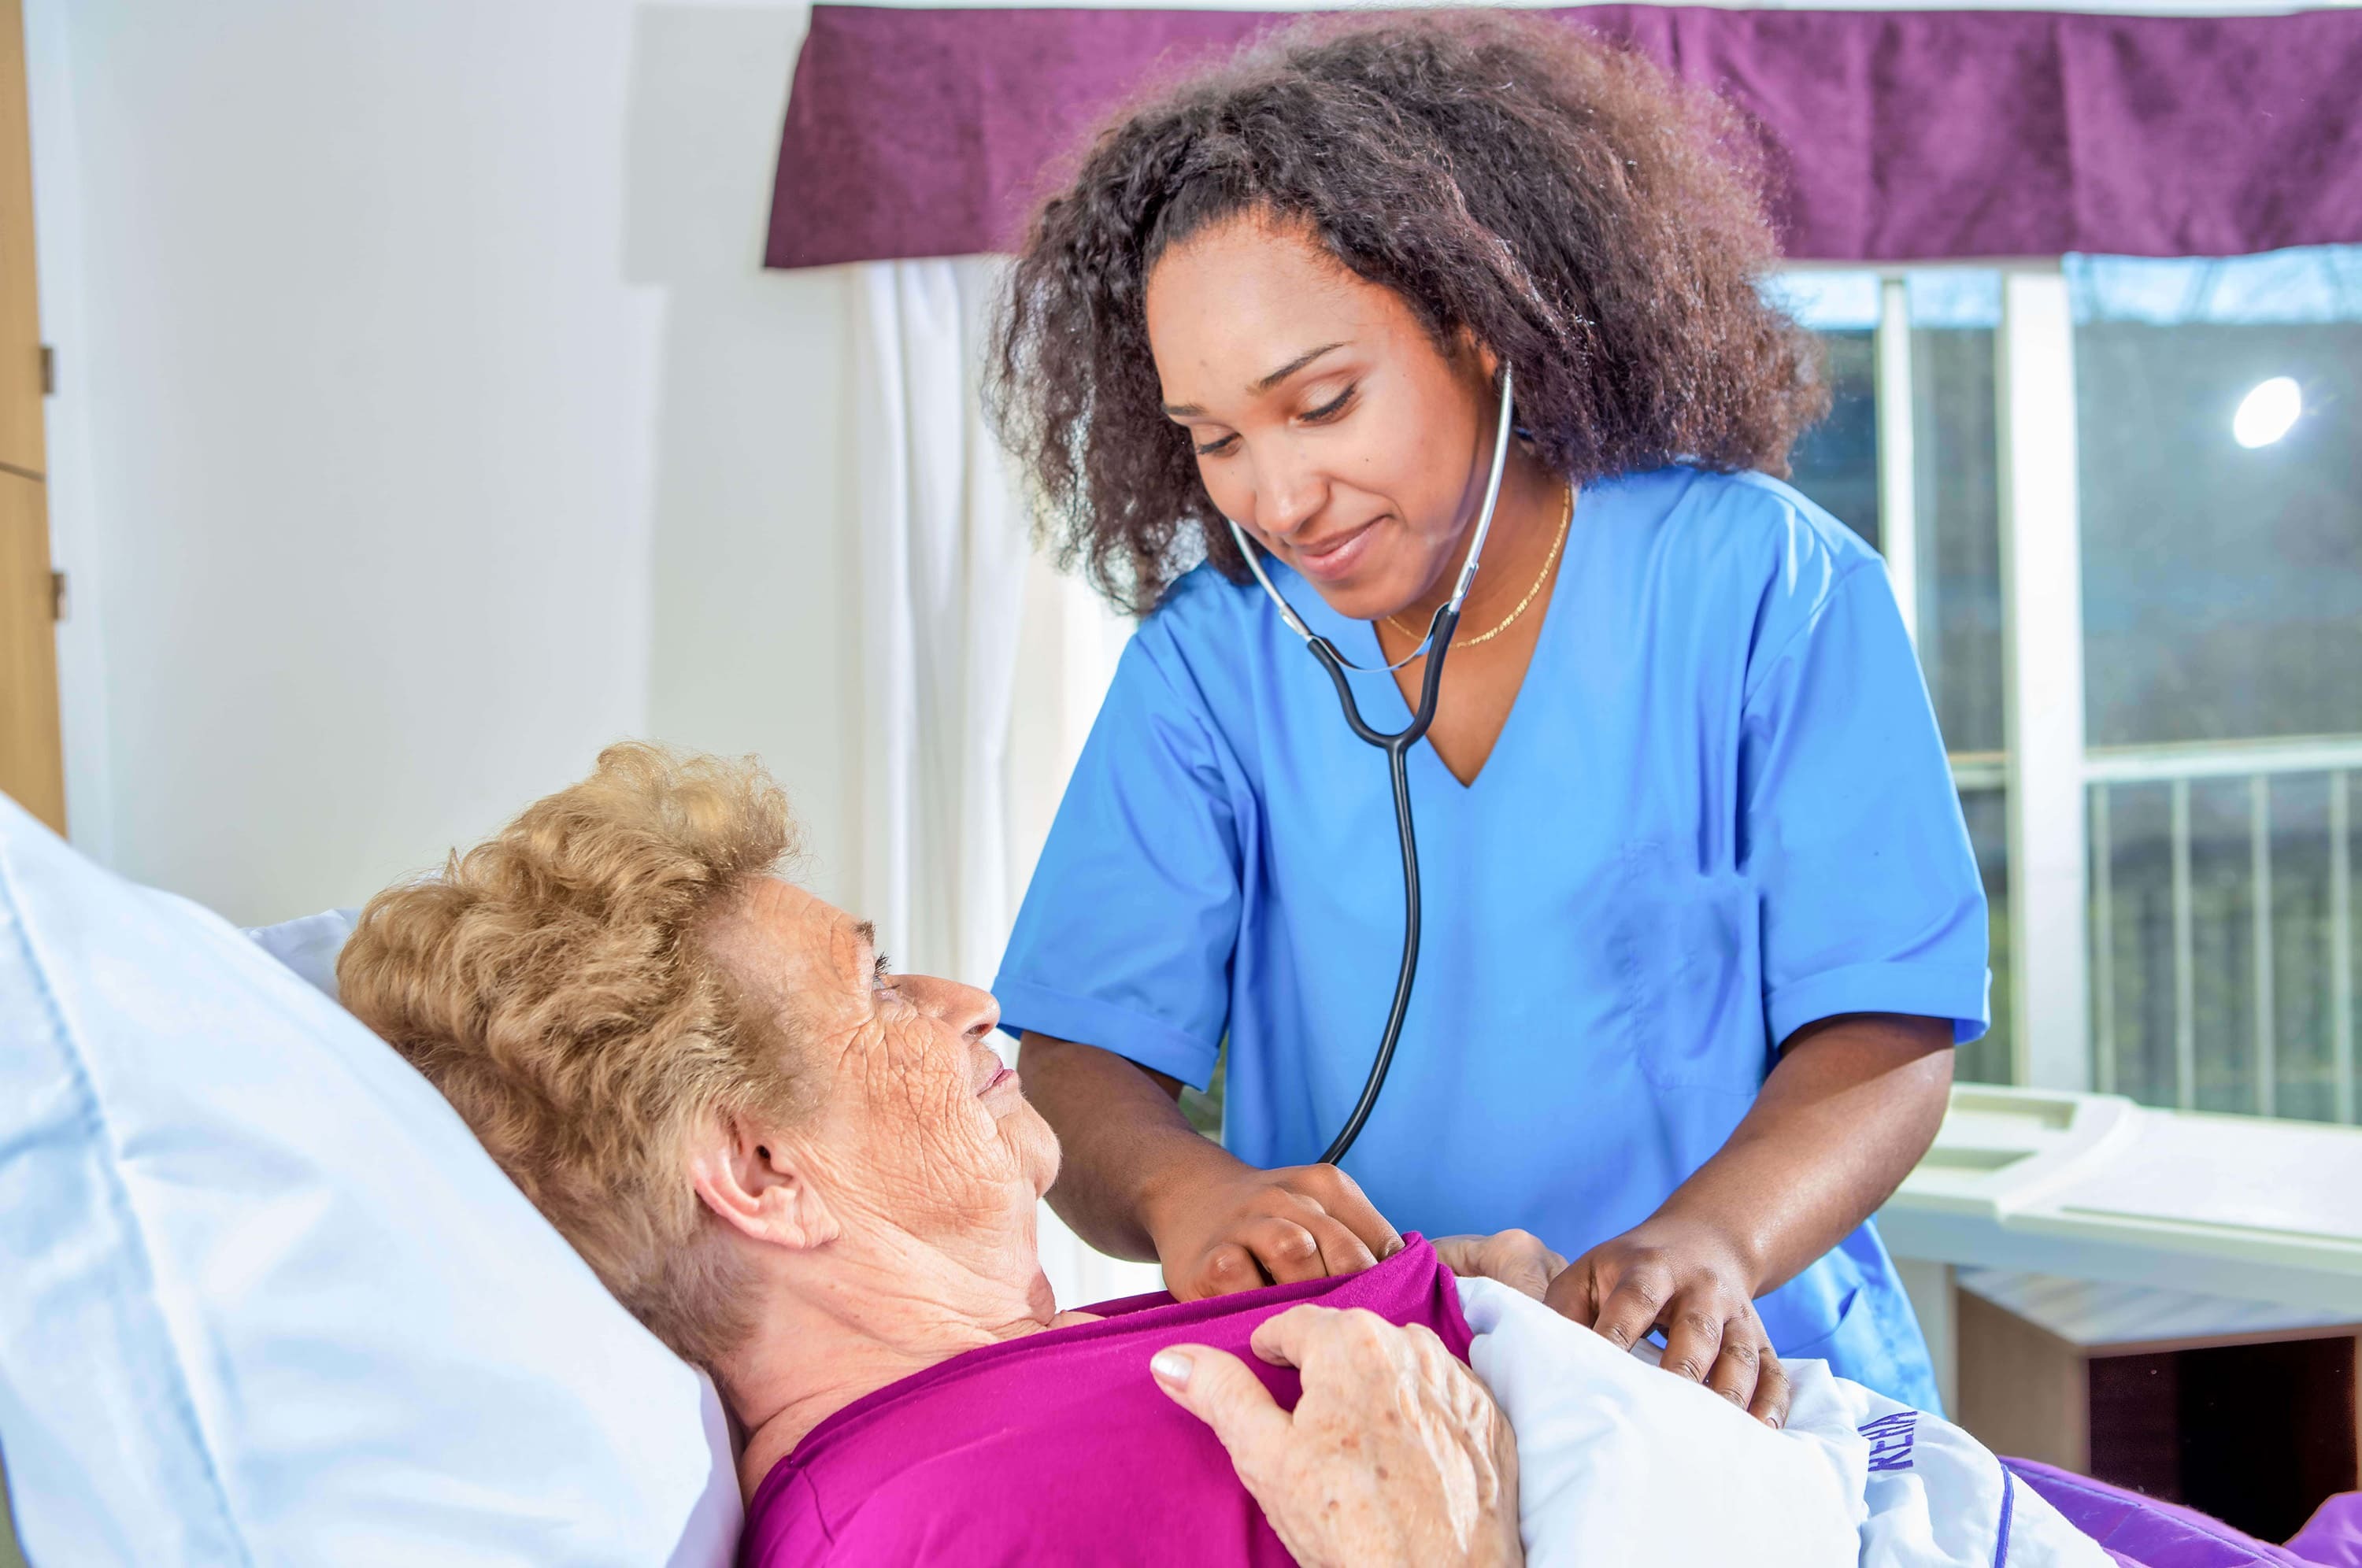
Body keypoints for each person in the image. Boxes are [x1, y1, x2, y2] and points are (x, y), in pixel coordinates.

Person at [987, 10, 1985, 1418]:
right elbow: (1078, 1056)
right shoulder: (1211, 664)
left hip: (1738, 1382)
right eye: (1216, 439)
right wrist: (1186, 1191)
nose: (1276, 499)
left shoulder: (1762, 582)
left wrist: (1708, 1245)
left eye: (1321, 403)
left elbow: (1885, 1025)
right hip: (1374, 1394)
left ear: (1478, 324)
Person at [335, 744, 1529, 1567]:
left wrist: (1509, 1318)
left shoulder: (990, 1414)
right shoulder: (932, 1531)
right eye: (879, 984)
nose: (971, 1000)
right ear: (760, 1174)